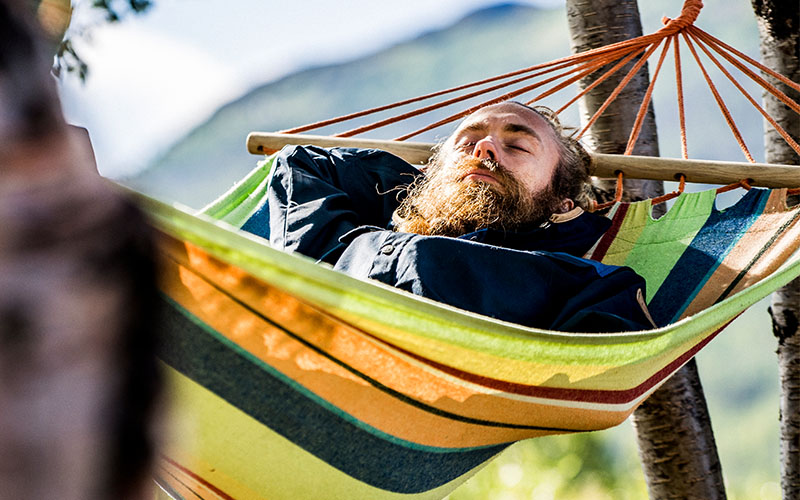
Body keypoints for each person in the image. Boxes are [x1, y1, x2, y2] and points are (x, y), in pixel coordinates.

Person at [265, 101, 655, 332]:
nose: (483, 146)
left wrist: (369, 253)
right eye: (467, 141)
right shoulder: (388, 203)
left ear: (562, 201)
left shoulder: (591, 285)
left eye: (517, 146)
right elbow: (300, 161)